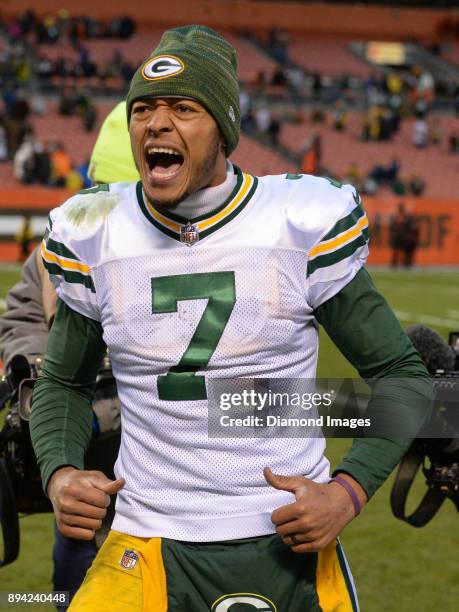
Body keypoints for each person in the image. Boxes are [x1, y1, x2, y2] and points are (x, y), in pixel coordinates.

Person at [31, 26, 432, 611]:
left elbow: (403, 375)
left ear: (224, 129)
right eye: (142, 108)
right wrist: (61, 473)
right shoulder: (98, 232)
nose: (156, 124)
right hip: (144, 533)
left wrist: (345, 494)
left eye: (182, 108)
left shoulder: (295, 223)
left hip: (278, 534)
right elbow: (63, 382)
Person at [0, 101, 139, 609]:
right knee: (77, 588)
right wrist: (40, 372)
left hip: (189, 488)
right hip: (86, 479)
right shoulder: (65, 242)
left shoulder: (218, 252)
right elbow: (20, 319)